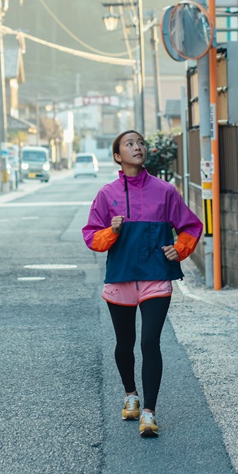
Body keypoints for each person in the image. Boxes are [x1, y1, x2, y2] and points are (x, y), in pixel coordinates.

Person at [83, 130, 202, 438]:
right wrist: (112, 231)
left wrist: (180, 249)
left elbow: (191, 226)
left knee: (150, 343)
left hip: (156, 278)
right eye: (130, 144)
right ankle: (130, 394)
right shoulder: (106, 195)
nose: (138, 147)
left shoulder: (165, 191)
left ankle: (148, 412)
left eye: (141, 143)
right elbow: (91, 237)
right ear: (117, 157)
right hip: (120, 278)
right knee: (124, 344)